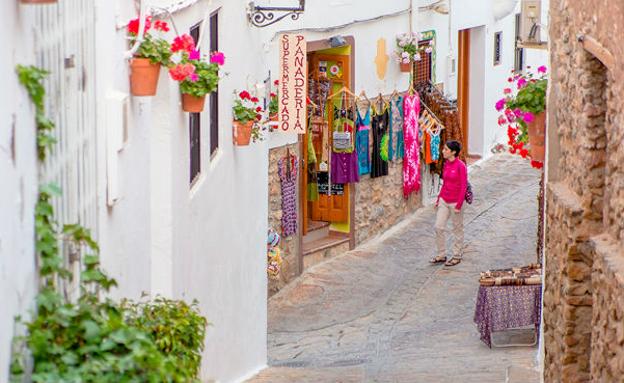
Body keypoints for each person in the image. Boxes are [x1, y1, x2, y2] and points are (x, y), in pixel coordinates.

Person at [429, 140, 467, 267]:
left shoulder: (461, 166)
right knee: (438, 227)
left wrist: (459, 205)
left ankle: (457, 255)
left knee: (457, 229)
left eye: (446, 149)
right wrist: (439, 198)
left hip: (456, 202)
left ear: (453, 152)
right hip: (444, 200)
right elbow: (445, 183)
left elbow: (463, 186)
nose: (443, 151)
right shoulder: (446, 164)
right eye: (443, 149)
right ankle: (441, 255)